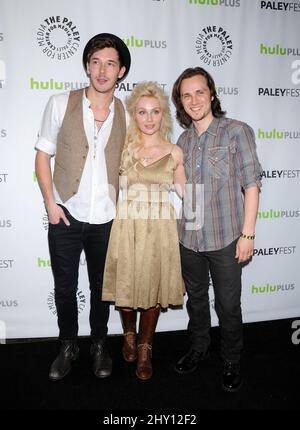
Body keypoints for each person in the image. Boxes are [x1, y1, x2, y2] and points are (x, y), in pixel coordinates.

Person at [34, 33, 131, 381]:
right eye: (95, 62)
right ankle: (67, 345)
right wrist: (50, 203)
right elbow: (43, 154)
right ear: (87, 66)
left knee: (101, 289)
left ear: (121, 71)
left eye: (110, 63)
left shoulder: (126, 112)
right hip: (66, 213)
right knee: (64, 286)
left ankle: (99, 345)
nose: (102, 70)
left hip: (107, 218)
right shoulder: (61, 103)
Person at [172, 67, 262, 392]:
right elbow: (183, 189)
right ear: (180, 103)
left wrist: (248, 234)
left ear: (211, 93)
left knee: (227, 304)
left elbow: (252, 185)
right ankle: (199, 348)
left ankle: (231, 359)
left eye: (199, 92)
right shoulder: (181, 141)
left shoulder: (236, 132)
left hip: (226, 238)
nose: (194, 100)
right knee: (196, 299)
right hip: (189, 237)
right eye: (186, 95)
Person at [102, 81, 186, 380]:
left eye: (155, 112)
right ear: (133, 115)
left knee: (153, 287)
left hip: (160, 227)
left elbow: (188, 192)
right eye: (142, 112)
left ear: (163, 115)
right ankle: (128, 333)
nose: (149, 118)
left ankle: (146, 344)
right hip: (128, 224)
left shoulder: (175, 151)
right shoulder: (122, 148)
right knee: (126, 281)